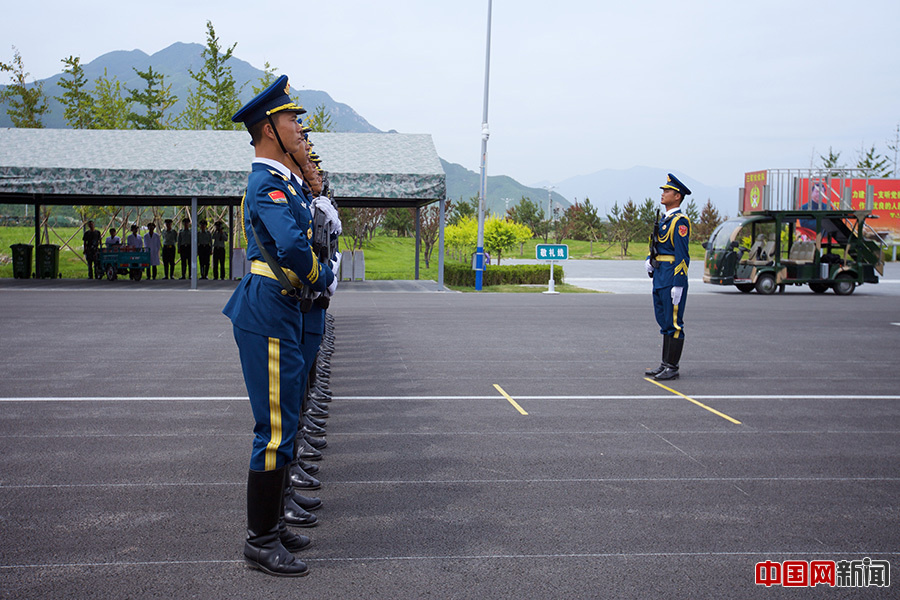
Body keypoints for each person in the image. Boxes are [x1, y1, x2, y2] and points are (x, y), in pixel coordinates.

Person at [223, 74, 335, 578]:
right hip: (268, 308)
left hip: (282, 307)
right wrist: (324, 272)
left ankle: (273, 522)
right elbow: (293, 248)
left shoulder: (282, 180)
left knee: (285, 423)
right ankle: (260, 540)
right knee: (273, 431)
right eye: (291, 119)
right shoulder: (266, 181)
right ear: (268, 128)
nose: (298, 126)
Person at [644, 173, 692, 381]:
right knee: (664, 321)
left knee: (674, 322)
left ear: (677, 196)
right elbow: (658, 245)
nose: (663, 194)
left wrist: (678, 283)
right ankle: (665, 364)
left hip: (672, 276)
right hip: (660, 275)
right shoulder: (664, 220)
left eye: (667, 191)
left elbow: (682, 254)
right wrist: (649, 259)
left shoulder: (680, 222)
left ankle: (672, 366)